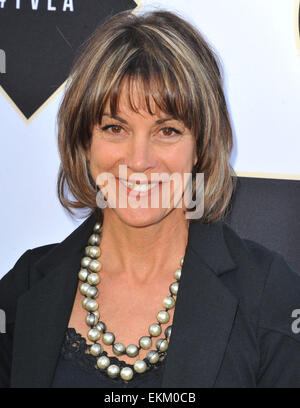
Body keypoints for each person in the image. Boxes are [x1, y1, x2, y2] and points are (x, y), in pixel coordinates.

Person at [1, 9, 300, 388]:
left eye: (167, 131)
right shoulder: (24, 289)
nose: (139, 160)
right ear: (84, 143)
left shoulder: (268, 294)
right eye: (114, 128)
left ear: (201, 147)